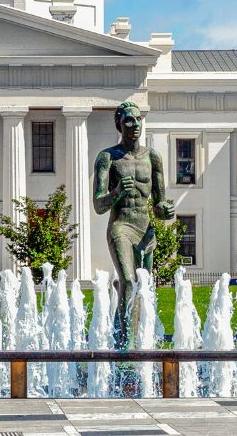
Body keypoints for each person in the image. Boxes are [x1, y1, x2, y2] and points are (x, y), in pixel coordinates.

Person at [92, 99, 173, 330]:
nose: (135, 124)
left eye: (138, 119)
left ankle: (127, 339)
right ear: (120, 124)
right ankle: (126, 350)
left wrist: (165, 211)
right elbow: (98, 205)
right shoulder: (107, 158)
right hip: (121, 227)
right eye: (129, 119)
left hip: (145, 229)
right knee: (129, 281)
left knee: (141, 290)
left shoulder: (153, 158)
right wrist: (117, 192)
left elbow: (158, 205)